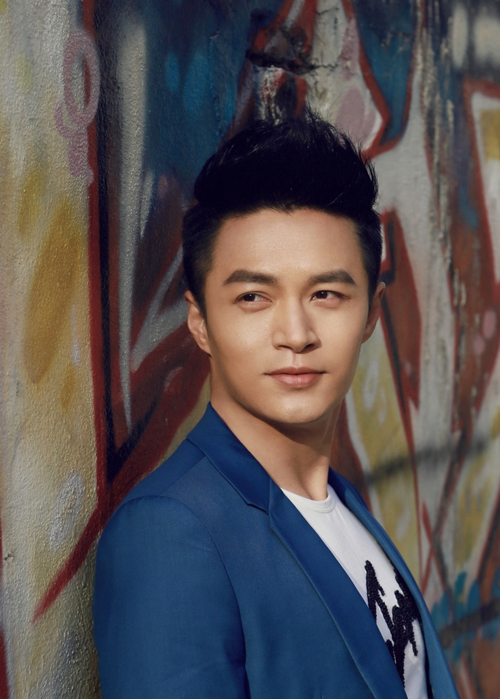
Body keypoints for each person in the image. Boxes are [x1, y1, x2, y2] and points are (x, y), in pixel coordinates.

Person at [93, 108, 459, 699]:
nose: (295, 334)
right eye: (253, 297)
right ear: (200, 322)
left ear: (370, 314)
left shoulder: (342, 504)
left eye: (326, 293)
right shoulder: (170, 532)